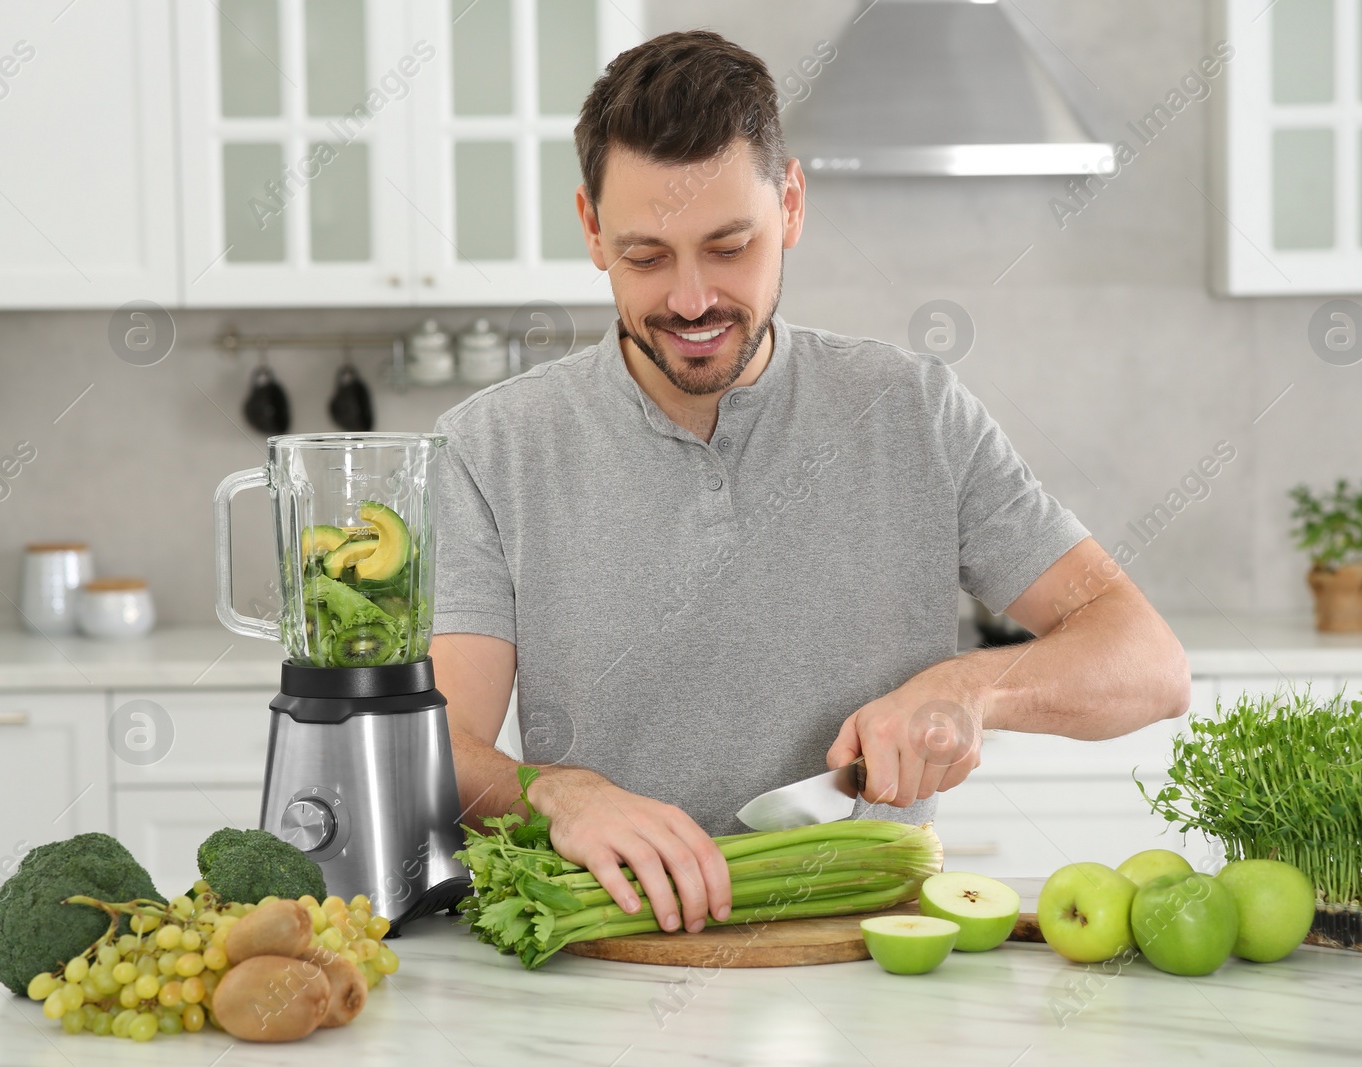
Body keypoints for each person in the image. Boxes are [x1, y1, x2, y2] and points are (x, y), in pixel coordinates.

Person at [430, 30, 1189, 938]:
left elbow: (1149, 661)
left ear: (789, 205)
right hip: (609, 960)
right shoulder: (489, 448)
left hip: (878, 961)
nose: (691, 299)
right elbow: (438, 748)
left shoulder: (912, 410)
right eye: (646, 256)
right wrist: (558, 795)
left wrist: (969, 687)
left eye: (729, 245)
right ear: (592, 229)